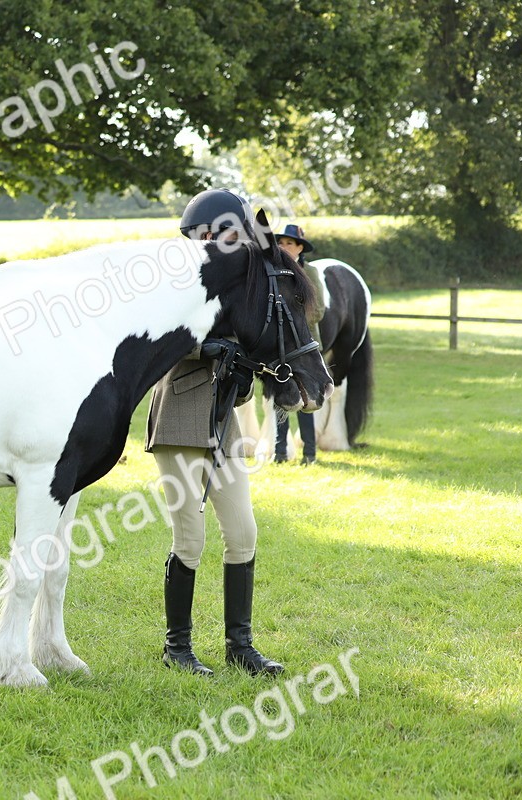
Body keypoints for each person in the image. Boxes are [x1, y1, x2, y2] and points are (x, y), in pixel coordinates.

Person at [146, 188, 284, 678]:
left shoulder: (234, 283)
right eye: (232, 232)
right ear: (206, 232)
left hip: (223, 419)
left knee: (243, 531)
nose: (239, 241)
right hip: (181, 417)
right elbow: (160, 339)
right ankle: (176, 648)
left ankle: (239, 645)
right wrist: (207, 349)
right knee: (191, 537)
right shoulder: (176, 279)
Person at [272, 224, 325, 465]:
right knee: (280, 398)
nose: (283, 247)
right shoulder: (274, 271)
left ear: (300, 247)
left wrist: (292, 322)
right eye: (280, 243)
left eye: (289, 243)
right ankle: (280, 451)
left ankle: (309, 454)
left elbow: (319, 310)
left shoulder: (310, 272)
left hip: (305, 346)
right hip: (281, 349)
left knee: (307, 400)